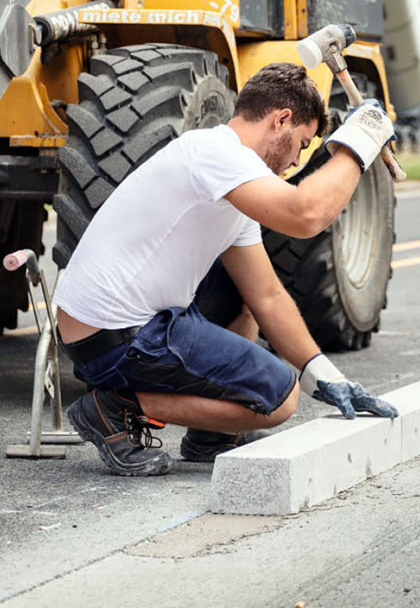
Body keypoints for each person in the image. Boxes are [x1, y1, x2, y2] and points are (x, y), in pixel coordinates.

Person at [54, 62, 399, 476]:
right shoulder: (218, 155)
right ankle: (113, 408)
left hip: (118, 326)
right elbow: (306, 214)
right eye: (302, 144)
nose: (296, 161)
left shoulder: (229, 176)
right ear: (281, 120)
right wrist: (360, 141)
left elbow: (268, 297)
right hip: (115, 337)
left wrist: (327, 375)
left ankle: (213, 434)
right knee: (278, 397)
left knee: (245, 294)